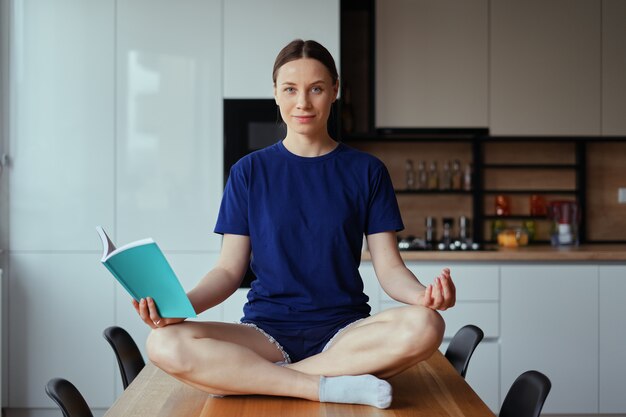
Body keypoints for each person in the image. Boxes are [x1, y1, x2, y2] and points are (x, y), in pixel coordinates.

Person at [134, 39, 455, 409]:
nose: (302, 102)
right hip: (265, 333)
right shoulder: (248, 172)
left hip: (345, 333)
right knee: (162, 342)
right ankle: (326, 384)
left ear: (335, 91)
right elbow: (227, 270)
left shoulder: (367, 172)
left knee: (428, 325)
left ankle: (248, 377)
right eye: (290, 89)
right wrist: (181, 307)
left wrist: (422, 297)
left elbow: (390, 267)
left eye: (316, 88)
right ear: (275, 93)